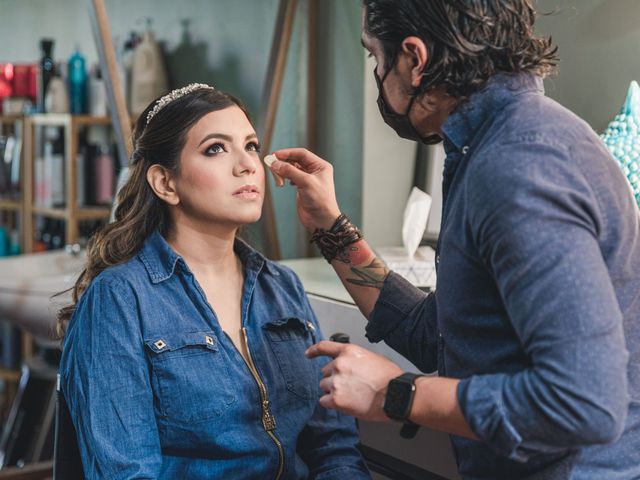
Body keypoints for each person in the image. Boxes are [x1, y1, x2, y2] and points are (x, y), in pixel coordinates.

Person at [266, 1, 640, 478]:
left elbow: (585, 402)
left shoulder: (520, 167)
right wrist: (331, 229)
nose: (378, 74)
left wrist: (396, 393)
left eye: (374, 59)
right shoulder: (491, 146)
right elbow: (449, 337)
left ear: (414, 59)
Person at [57, 84, 370, 479]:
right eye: (216, 149)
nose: (247, 165)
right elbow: (127, 472)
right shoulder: (120, 300)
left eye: (252, 146)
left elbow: (333, 447)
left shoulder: (283, 287)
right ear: (165, 183)